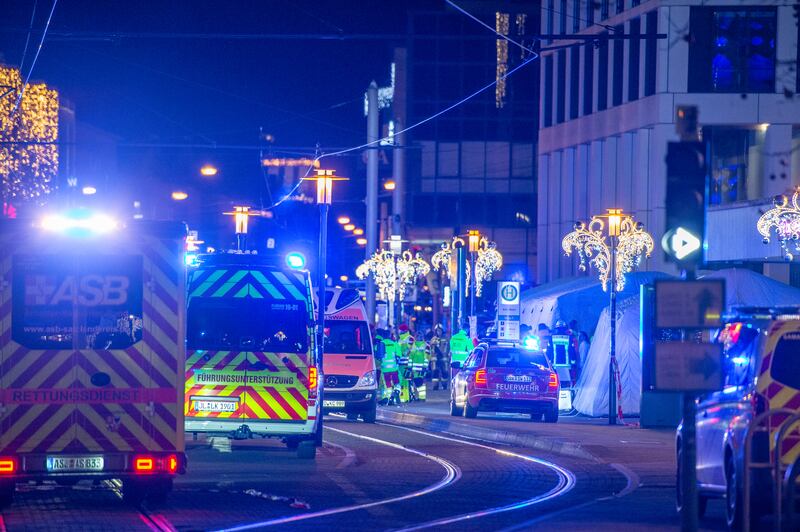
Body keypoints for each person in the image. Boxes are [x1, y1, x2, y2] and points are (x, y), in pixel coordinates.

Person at [428, 325, 449, 391]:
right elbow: (430, 349)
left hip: (444, 359)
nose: (438, 332)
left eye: (440, 330)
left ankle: (444, 385)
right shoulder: (433, 339)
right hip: (435, 359)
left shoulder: (446, 338)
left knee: (444, 373)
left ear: (442, 331)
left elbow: (448, 348)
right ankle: (435, 386)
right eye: (437, 330)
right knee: (435, 373)